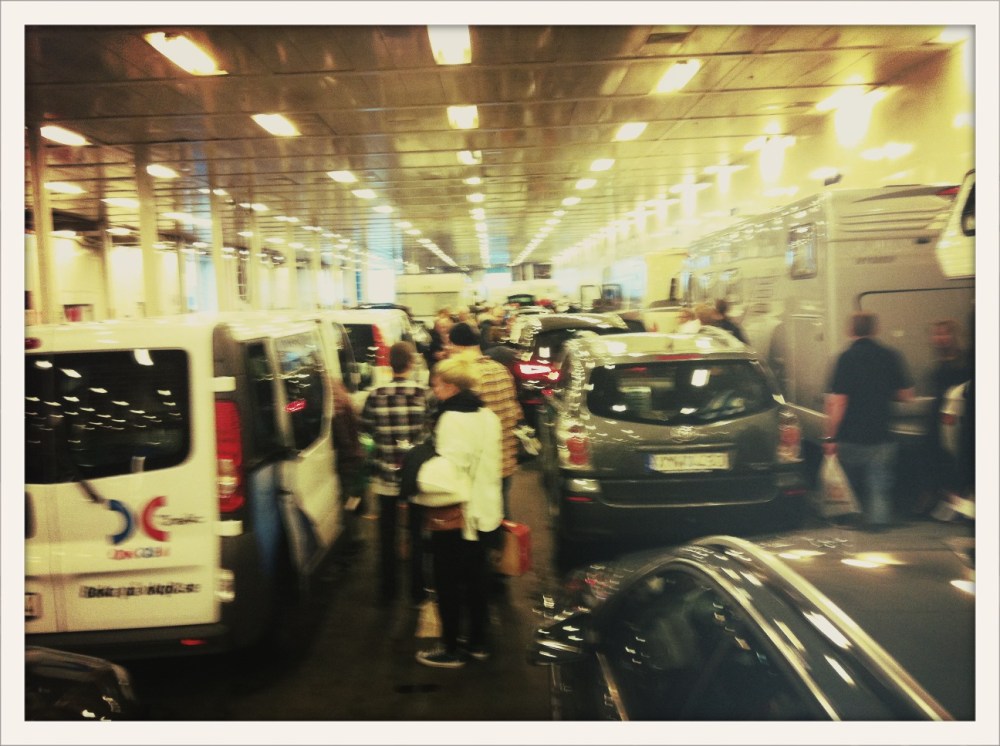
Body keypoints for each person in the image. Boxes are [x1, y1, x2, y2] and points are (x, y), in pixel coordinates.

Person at [412, 357, 503, 668]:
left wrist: (420, 466)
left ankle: (451, 648)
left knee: (447, 582)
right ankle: (478, 643)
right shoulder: (488, 415)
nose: (434, 390)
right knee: (477, 580)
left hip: (457, 515)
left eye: (436, 385)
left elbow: (452, 468)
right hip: (486, 511)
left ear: (451, 386)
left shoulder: (452, 418)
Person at [823, 312, 914, 531]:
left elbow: (839, 402)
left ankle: (850, 522)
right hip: (881, 434)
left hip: (850, 436)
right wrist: (882, 392)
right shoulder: (891, 355)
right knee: (879, 486)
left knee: (849, 486)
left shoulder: (845, 358)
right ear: (875, 330)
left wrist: (830, 437)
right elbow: (907, 395)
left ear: (850, 331)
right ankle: (878, 527)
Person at [360, 341, 431, 605]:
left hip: (384, 477)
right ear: (411, 363)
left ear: (389, 364)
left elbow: (366, 432)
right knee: (416, 533)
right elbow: (431, 432)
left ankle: (388, 591)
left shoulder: (375, 395)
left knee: (386, 534)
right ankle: (417, 591)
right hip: (415, 478)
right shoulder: (424, 394)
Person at [446, 321, 525, 521]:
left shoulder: (464, 376)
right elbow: (515, 412)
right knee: (502, 516)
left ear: (456, 346)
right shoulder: (501, 370)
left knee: (477, 522)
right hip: (505, 460)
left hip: (479, 466)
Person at [330, 378, 366, 553]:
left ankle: (354, 538)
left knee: (348, 502)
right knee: (354, 498)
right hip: (357, 458)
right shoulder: (348, 405)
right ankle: (357, 534)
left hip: (347, 462)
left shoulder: (337, 414)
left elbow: (343, 441)